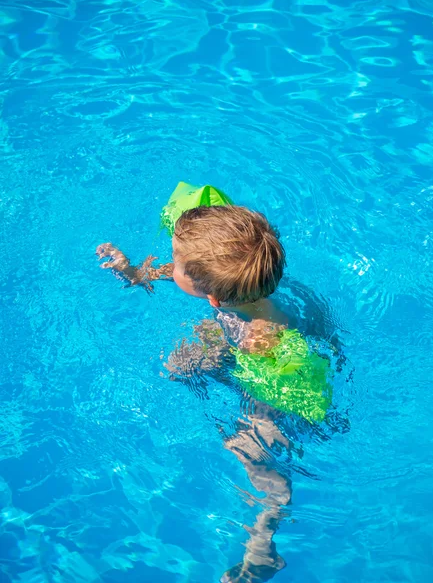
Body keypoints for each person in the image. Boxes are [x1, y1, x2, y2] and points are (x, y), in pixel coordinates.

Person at [96, 205, 300, 582]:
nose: (169, 265)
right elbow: (152, 277)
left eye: (175, 261)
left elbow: (273, 382)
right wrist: (129, 270)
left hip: (275, 391)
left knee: (251, 453)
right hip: (239, 340)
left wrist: (261, 421)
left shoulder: (261, 334)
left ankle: (265, 538)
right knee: (181, 365)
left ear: (211, 299)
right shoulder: (241, 282)